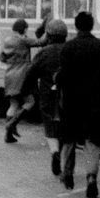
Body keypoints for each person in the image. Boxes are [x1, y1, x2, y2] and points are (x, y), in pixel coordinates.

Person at [58, 11, 100, 198]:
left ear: (76, 26)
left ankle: (67, 173)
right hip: (97, 104)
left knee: (68, 140)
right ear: (92, 26)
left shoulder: (68, 48)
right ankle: (91, 178)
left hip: (72, 103)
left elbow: (62, 76)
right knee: (92, 142)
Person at [20, 18, 68, 177]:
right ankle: (59, 154)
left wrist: (26, 90)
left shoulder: (44, 53)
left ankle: (54, 152)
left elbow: (30, 74)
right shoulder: (70, 50)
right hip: (67, 96)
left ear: (49, 35)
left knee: (50, 126)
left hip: (48, 95)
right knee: (63, 127)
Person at [1, 17, 45, 143]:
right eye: (26, 29)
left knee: (13, 104)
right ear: (23, 29)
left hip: (9, 74)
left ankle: (8, 135)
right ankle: (12, 124)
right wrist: (47, 28)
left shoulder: (7, 40)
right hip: (22, 75)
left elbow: (2, 58)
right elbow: (40, 42)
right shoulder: (23, 40)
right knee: (30, 102)